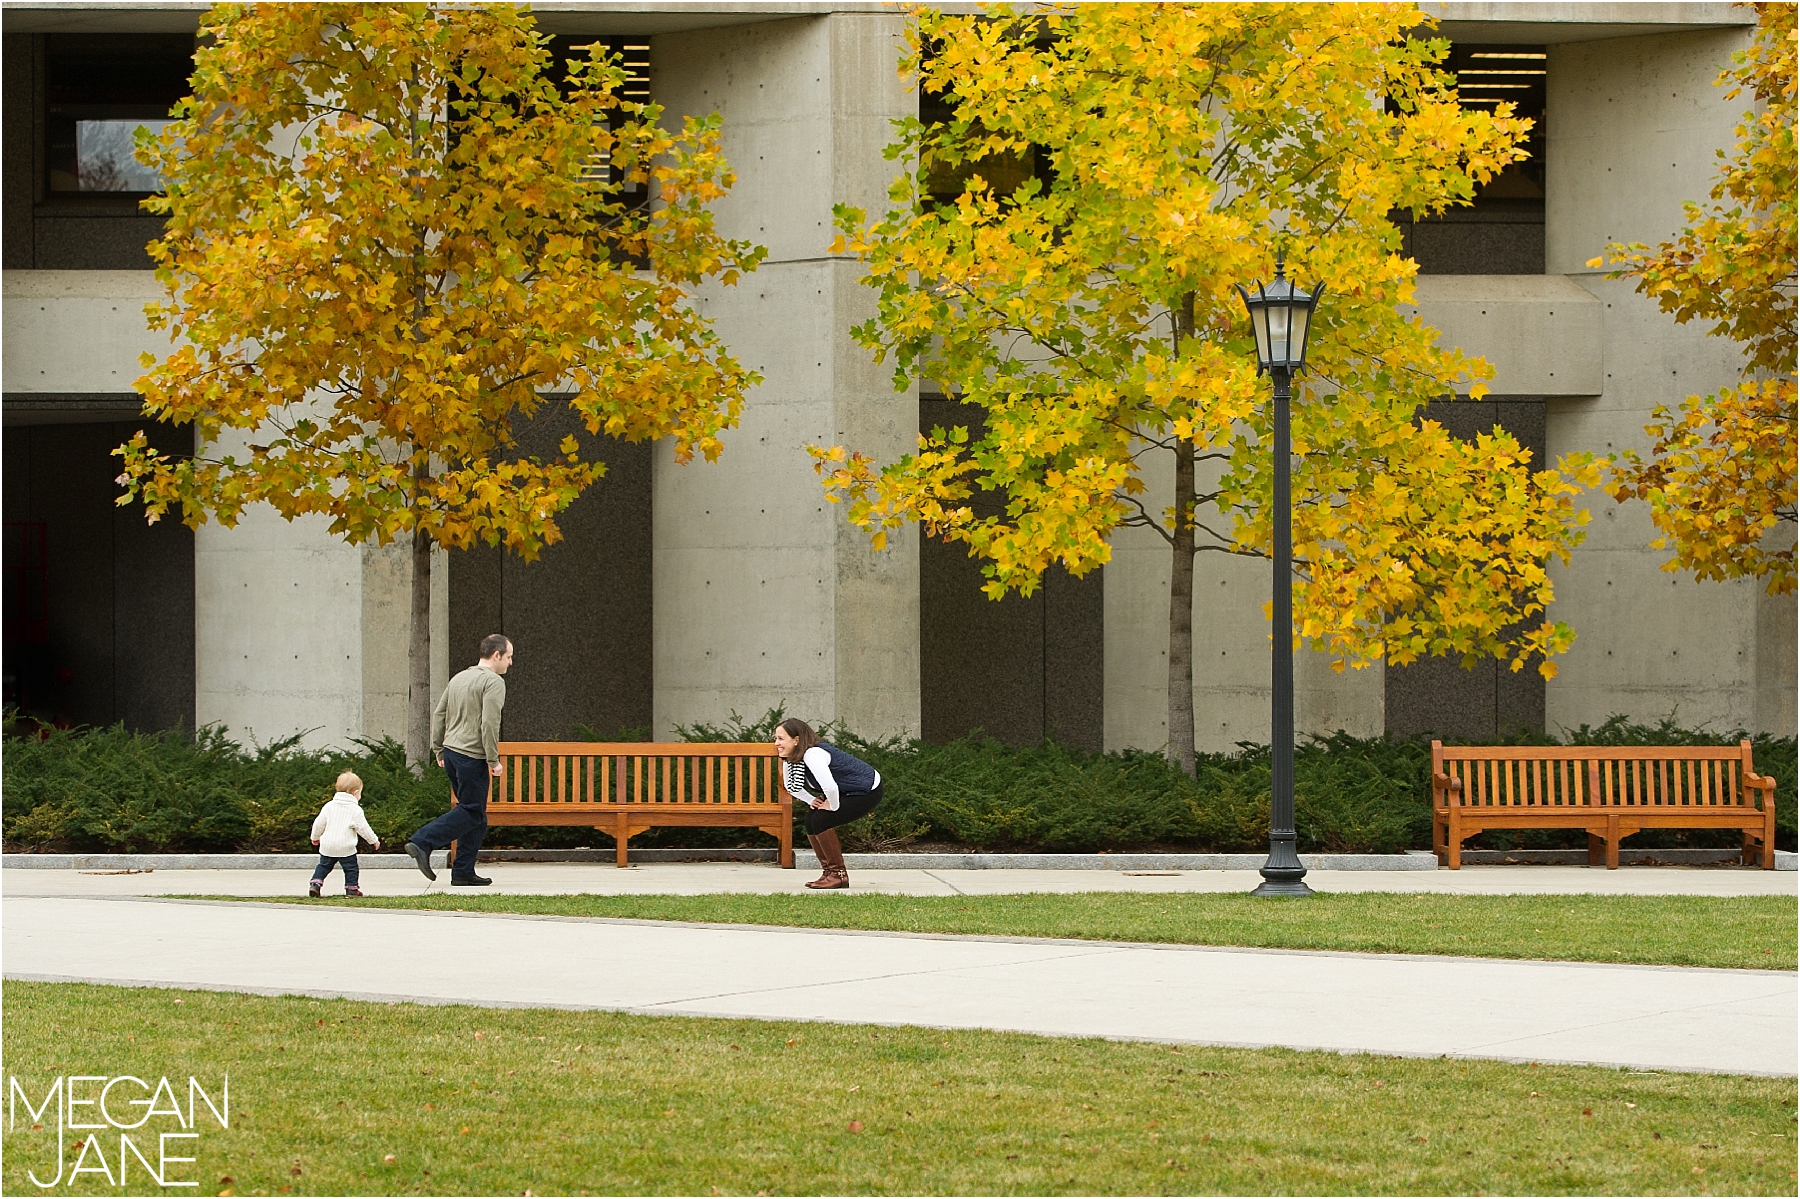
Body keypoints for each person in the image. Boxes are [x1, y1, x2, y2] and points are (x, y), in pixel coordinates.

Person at [405, 634, 513, 887]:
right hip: (471, 755)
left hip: (452, 753)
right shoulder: (493, 682)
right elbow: (489, 723)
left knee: (476, 814)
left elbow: (439, 714)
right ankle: (422, 841)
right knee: (472, 810)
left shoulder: (459, 678)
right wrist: (493, 759)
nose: (510, 663)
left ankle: (463, 871)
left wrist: (439, 750)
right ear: (496, 655)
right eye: (508, 657)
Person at [774, 717, 883, 890]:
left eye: (781, 738)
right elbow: (791, 787)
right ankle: (829, 873)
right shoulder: (791, 757)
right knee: (811, 820)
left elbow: (830, 787)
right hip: (844, 790)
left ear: (796, 740)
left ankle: (838, 875)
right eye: (776, 738)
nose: (776, 743)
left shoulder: (813, 754)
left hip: (867, 790)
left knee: (821, 820)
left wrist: (832, 805)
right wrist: (812, 800)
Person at [309, 771, 379, 897]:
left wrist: (315, 837)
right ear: (355, 793)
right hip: (346, 847)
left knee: (324, 865)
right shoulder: (355, 810)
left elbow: (319, 823)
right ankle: (351, 889)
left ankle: (315, 884)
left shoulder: (328, 806)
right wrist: (373, 840)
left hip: (328, 845)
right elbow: (363, 828)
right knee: (351, 868)